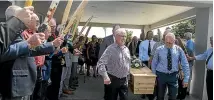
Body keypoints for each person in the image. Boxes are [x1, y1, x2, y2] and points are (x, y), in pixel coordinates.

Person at [0, 6, 64, 100]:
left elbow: (29, 50)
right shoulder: (9, 32)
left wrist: (52, 44)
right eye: (25, 15)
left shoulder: (18, 31)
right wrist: (28, 44)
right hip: (15, 81)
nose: (28, 18)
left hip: (24, 80)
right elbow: (5, 52)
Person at [151, 33, 190, 100]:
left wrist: (186, 79)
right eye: (167, 42)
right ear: (164, 41)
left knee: (173, 97)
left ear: (174, 41)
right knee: (160, 97)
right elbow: (154, 63)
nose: (168, 44)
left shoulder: (179, 50)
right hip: (161, 76)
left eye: (170, 43)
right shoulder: (159, 49)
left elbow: (185, 64)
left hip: (173, 76)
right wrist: (154, 77)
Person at [97, 28, 130, 100]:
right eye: (122, 36)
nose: (124, 38)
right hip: (112, 80)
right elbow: (101, 63)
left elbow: (127, 64)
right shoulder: (110, 49)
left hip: (124, 80)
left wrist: (127, 78)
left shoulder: (126, 49)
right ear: (116, 36)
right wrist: (105, 76)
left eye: (125, 36)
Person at [98, 25, 120, 99]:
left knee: (116, 88)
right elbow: (101, 55)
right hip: (108, 69)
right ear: (112, 31)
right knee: (108, 88)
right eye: (116, 30)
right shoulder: (106, 39)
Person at [187, 36, 213, 100]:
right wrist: (191, 58)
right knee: (210, 91)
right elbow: (203, 56)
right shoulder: (210, 50)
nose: (210, 42)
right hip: (209, 73)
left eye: (211, 40)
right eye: (210, 40)